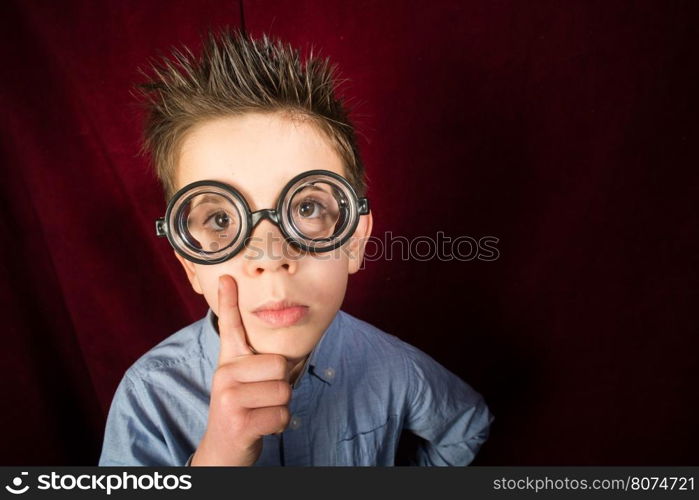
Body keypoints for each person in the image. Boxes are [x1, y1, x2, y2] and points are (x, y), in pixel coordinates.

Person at [99, 28, 493, 466]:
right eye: (221, 219)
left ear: (356, 241)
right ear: (190, 263)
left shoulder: (394, 369)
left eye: (306, 206)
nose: (270, 255)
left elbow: (468, 424)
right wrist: (218, 459)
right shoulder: (150, 396)